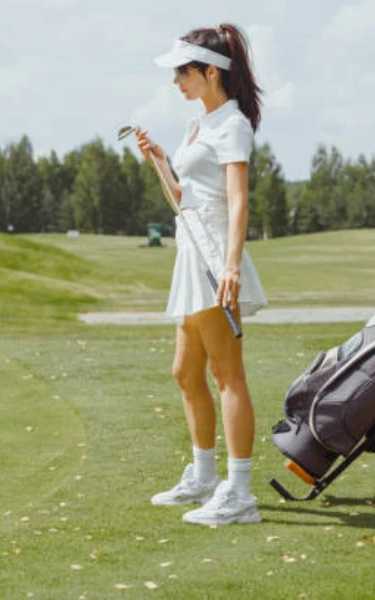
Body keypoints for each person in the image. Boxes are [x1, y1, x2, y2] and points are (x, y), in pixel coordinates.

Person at [135, 23, 267, 526]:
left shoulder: (233, 126)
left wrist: (231, 265)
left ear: (210, 72)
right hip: (191, 254)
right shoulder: (198, 126)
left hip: (215, 258)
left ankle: (240, 494)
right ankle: (205, 476)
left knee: (226, 374)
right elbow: (182, 201)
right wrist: (159, 162)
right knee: (185, 372)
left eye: (183, 73)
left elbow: (237, 201)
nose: (176, 82)